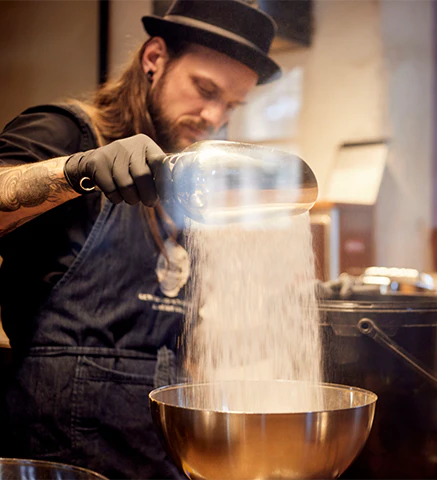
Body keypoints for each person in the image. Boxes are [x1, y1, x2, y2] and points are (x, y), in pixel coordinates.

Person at [0, 0, 281, 478]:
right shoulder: (66, 132)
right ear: (154, 58)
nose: (214, 116)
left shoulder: (186, 178)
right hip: (59, 462)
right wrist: (75, 171)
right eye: (204, 89)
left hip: (162, 458)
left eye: (231, 105)